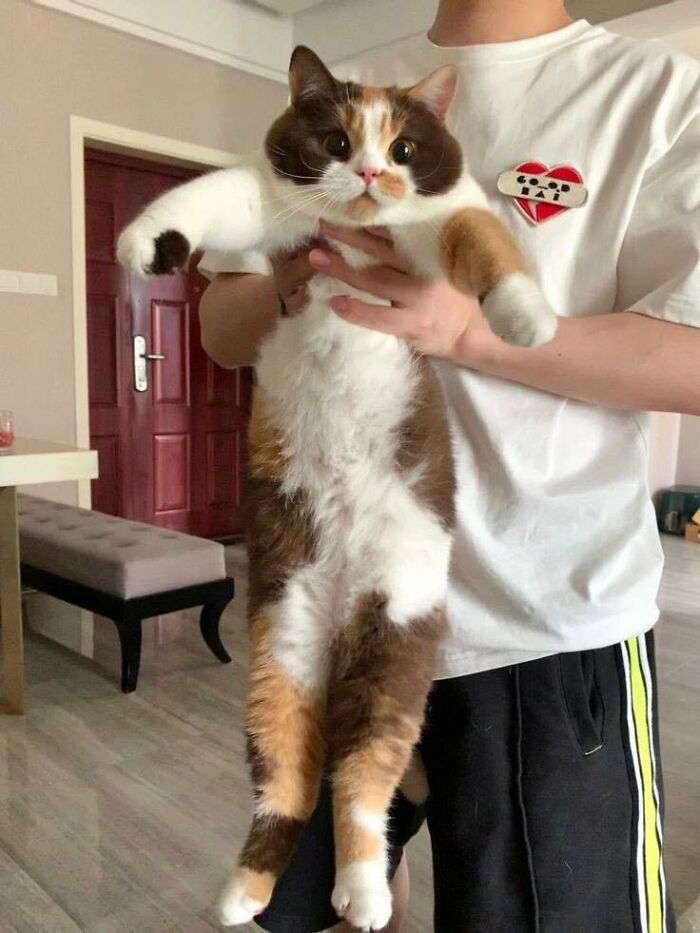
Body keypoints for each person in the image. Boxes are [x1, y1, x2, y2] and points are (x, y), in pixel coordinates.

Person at [200, 1, 700, 929]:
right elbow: (220, 322)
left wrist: (471, 333)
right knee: (296, 907)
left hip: (545, 626)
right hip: (337, 612)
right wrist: (289, 276)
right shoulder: (334, 98)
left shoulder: (660, 94)